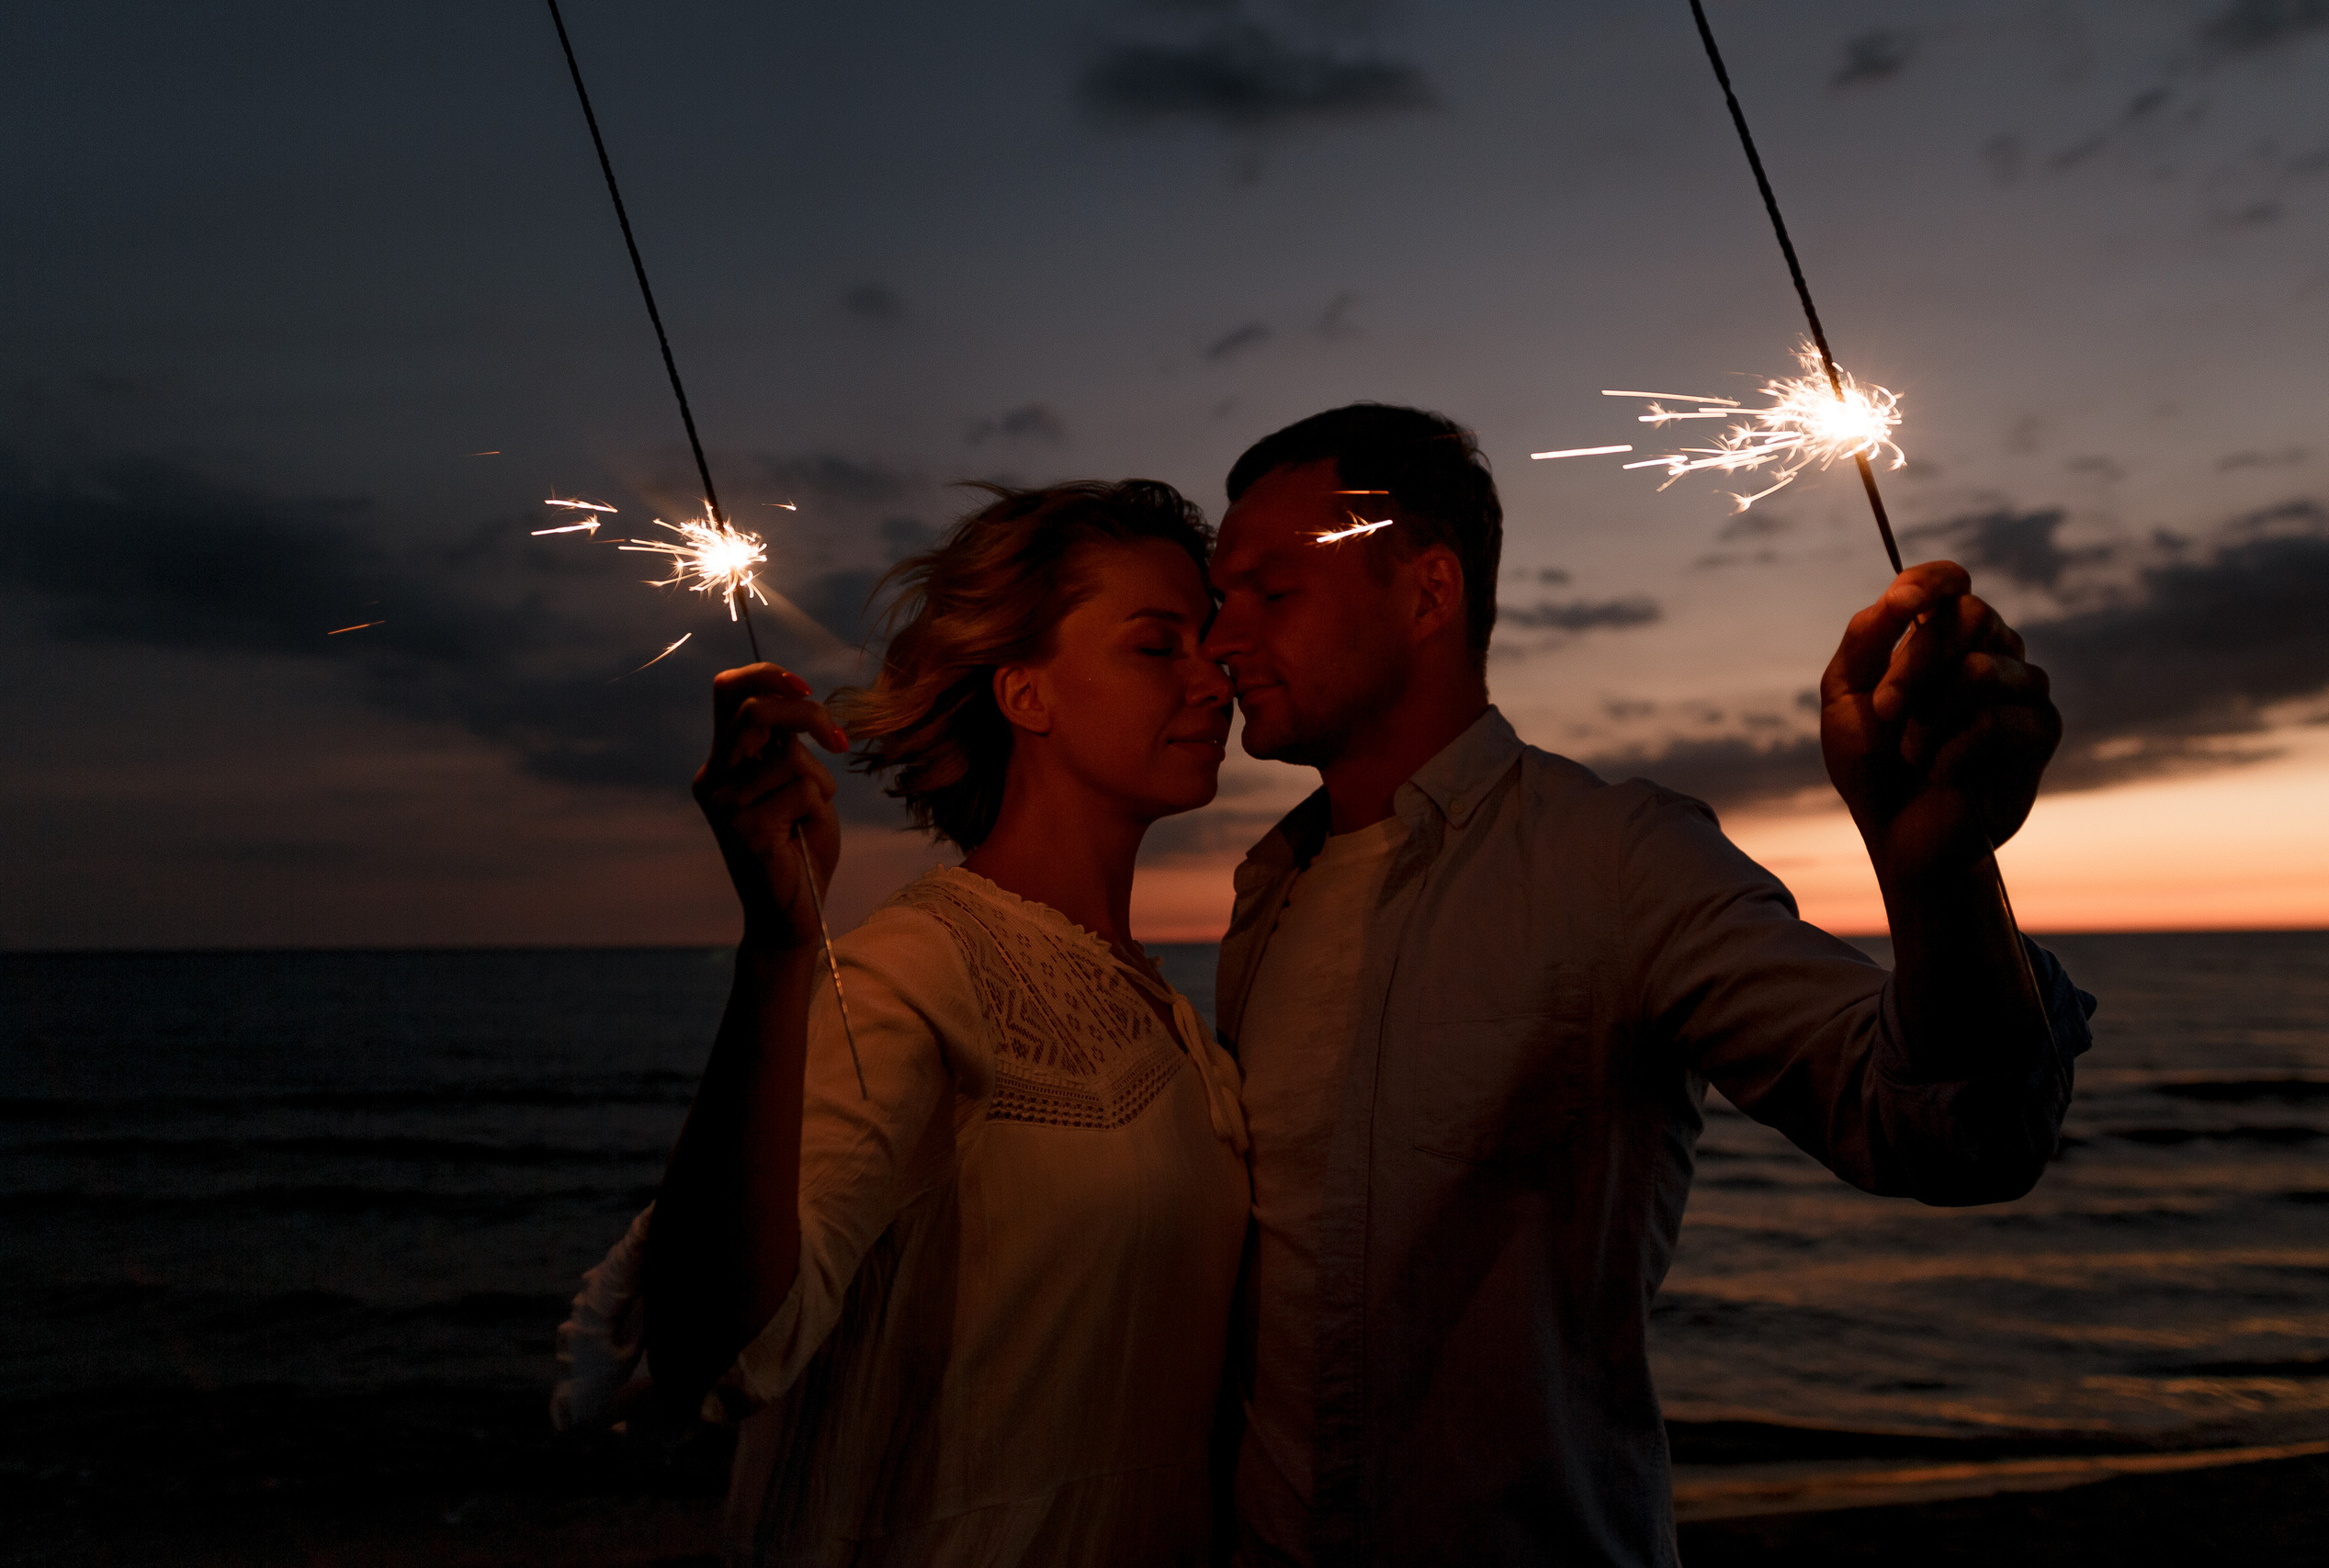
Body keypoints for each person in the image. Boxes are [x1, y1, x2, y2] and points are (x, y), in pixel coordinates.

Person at [1198, 404, 2096, 1567]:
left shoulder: (1614, 857)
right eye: (1221, 597)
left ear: (1428, 595)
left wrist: (1935, 869)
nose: (1221, 638)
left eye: (1270, 592)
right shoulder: (1263, 894)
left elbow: (1952, 1134)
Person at [554, 480, 1251, 1566]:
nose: (1217, 682)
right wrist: (782, 952)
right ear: (1025, 693)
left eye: (1212, 647)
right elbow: (720, 1346)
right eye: (1159, 647)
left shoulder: (1165, 1016)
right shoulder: (918, 969)